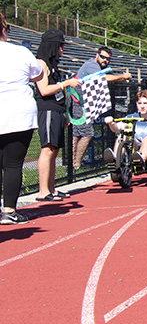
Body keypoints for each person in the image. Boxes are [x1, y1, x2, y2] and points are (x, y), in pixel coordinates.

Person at [0, 13, 44, 224]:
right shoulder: (20, 51)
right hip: (18, 111)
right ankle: (9, 210)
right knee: (12, 164)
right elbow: (37, 74)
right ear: (4, 30)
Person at [33, 29, 82, 202]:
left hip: (58, 110)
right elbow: (44, 89)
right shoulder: (41, 64)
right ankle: (43, 191)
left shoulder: (53, 65)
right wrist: (66, 84)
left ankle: (51, 189)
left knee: (55, 150)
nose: (63, 49)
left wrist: (66, 114)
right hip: (47, 109)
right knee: (48, 148)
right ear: (53, 46)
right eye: (61, 46)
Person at [71, 46, 132, 169]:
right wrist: (124, 76)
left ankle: (73, 165)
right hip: (79, 102)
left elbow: (110, 77)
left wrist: (123, 77)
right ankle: (75, 165)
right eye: (103, 57)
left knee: (78, 133)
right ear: (97, 55)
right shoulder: (92, 65)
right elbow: (105, 78)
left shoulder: (101, 68)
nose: (105, 60)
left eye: (108, 59)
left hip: (85, 103)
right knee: (86, 133)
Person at [103, 89, 147, 171]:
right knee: (123, 137)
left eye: (145, 103)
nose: (142, 106)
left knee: (146, 139)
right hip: (135, 151)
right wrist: (111, 123)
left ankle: (141, 160)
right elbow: (116, 128)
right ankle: (115, 159)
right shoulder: (131, 117)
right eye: (139, 103)